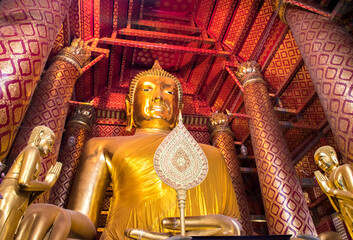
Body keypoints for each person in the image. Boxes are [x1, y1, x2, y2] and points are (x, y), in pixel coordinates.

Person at [15, 61, 241, 240]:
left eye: (169, 92)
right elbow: (85, 221)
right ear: (129, 105)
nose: (158, 96)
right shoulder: (102, 145)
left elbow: (233, 223)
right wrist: (61, 216)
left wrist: (228, 227)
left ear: (179, 108)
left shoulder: (210, 154)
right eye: (147, 89)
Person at [0, 126, 62, 240]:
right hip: (11, 196)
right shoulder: (32, 150)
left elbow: (28, 193)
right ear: (40, 135)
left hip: (19, 201)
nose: (50, 149)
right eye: (49, 143)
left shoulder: (36, 155)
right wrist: (47, 184)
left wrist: (45, 186)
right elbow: (24, 182)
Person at [314, 145, 353, 240]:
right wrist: (326, 191)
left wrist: (330, 190)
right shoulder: (329, 179)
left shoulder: (344, 168)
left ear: (331, 154)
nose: (320, 163)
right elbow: (338, 208)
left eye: (321, 159)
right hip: (349, 218)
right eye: (318, 163)